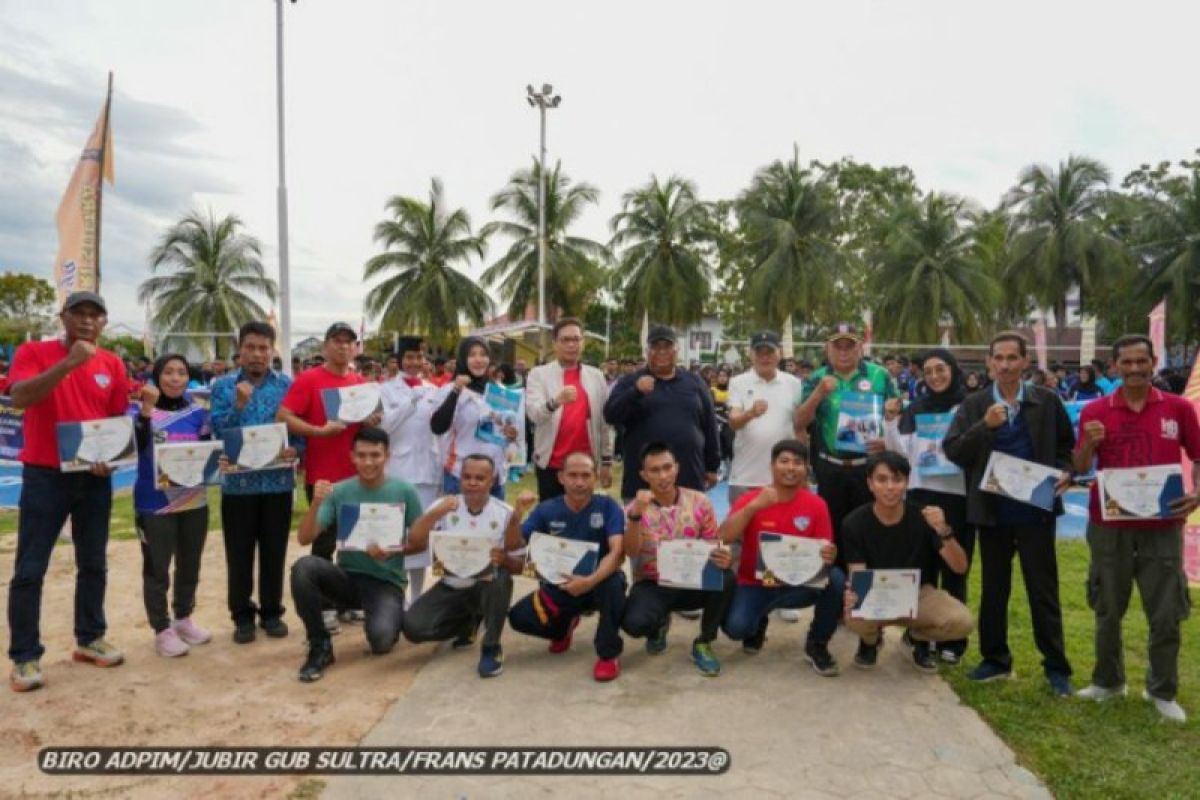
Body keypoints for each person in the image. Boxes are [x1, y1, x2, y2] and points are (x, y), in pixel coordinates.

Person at [7, 291, 131, 693]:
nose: (87, 321)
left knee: (93, 562)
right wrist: (69, 363)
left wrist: (110, 458)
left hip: (93, 477)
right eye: (79, 313)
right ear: (63, 317)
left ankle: (89, 637)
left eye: (96, 315)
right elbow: (20, 397)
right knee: (30, 568)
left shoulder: (112, 363)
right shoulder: (33, 351)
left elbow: (115, 421)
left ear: (104, 323)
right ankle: (25, 656)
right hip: (45, 475)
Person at [1073, 334, 1200, 722]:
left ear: (1153, 361)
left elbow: (1198, 455)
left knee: (1164, 610)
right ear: (1114, 366)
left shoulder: (1178, 408)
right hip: (1109, 523)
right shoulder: (1095, 409)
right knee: (1108, 606)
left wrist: (1197, 494)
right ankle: (1108, 681)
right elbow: (1079, 469)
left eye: (1140, 361)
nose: (1133, 369)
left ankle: (1161, 690)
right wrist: (1090, 446)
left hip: (1163, 523)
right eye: (1125, 363)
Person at [943, 331, 1075, 695]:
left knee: (1042, 590)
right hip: (993, 512)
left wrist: (1066, 471)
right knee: (995, 589)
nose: (1004, 365)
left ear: (1025, 361)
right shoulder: (974, 405)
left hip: (1036, 510)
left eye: (1011, 358)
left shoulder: (1047, 401)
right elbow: (953, 451)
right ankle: (995, 659)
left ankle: (1056, 668)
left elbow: (1066, 445)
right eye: (997, 358)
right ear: (988, 362)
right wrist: (985, 426)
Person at [291, 427, 423, 682]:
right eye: (361, 455)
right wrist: (317, 503)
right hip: (347, 578)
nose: (368, 462)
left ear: (388, 456)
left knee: (382, 643)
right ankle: (319, 644)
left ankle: (389, 616)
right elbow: (304, 538)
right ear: (351, 456)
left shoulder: (406, 491)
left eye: (375, 455)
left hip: (386, 582)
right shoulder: (339, 492)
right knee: (304, 568)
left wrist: (396, 550)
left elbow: (421, 543)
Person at [278, 322, 376, 634]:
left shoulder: (360, 382)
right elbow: (284, 416)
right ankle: (323, 607)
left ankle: (347, 602)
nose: (343, 347)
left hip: (356, 477)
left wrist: (371, 420)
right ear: (325, 347)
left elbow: (365, 429)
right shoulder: (309, 379)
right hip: (323, 478)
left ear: (355, 348)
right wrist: (318, 432)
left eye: (349, 342)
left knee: (353, 545)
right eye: (337, 341)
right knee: (323, 544)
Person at [718, 440, 844, 677]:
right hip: (755, 583)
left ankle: (817, 643)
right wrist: (752, 508)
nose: (791, 468)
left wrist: (830, 554)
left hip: (798, 583)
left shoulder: (816, 504)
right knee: (736, 629)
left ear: (806, 468)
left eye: (798, 462)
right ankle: (759, 621)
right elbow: (724, 536)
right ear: (772, 466)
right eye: (784, 461)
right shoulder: (752, 499)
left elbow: (824, 551)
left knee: (836, 579)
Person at [841, 452, 974, 673]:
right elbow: (857, 572)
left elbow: (960, 567)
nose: (890, 487)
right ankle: (870, 642)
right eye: (882, 480)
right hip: (877, 593)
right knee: (853, 614)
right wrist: (855, 595)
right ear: (870, 484)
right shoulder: (853, 523)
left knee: (962, 622)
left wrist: (943, 530)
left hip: (919, 594)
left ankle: (917, 637)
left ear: (907, 482)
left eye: (897, 479)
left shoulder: (925, 518)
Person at [211, 321, 299, 644]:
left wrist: (295, 450)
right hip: (238, 486)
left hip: (277, 484)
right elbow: (218, 431)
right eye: (250, 347)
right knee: (239, 553)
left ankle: (272, 612)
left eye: (263, 348)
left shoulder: (287, 386)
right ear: (240, 349)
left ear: (272, 351)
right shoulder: (222, 386)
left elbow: (297, 427)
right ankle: (242, 615)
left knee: (275, 551)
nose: (257, 354)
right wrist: (239, 405)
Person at [882, 348, 972, 664]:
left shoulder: (969, 405)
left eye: (941, 369)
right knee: (921, 569)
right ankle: (920, 636)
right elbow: (901, 455)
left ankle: (954, 639)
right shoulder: (916, 408)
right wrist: (890, 423)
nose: (935, 376)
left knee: (956, 567)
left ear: (953, 370)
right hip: (921, 493)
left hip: (958, 496)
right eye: (929, 371)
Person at [506, 452, 627, 681]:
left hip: (597, 583)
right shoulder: (546, 510)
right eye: (573, 475)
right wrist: (517, 514)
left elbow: (617, 552)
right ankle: (563, 628)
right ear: (561, 477)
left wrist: (589, 581)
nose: (579, 482)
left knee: (614, 585)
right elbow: (513, 544)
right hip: (560, 585)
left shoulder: (608, 506)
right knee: (518, 618)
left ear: (595, 477)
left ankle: (608, 654)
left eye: (585, 475)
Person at [402, 454, 521, 678]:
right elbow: (415, 540)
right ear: (459, 479)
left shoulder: (504, 513)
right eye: (467, 477)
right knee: (413, 627)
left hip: (485, 586)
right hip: (451, 585)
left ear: (492, 481)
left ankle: (491, 646)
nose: (473, 482)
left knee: (501, 578)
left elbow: (520, 564)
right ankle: (468, 623)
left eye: (480, 477)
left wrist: (503, 560)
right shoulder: (444, 505)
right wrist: (437, 513)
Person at [621, 442, 735, 676]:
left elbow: (712, 543)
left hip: (693, 580)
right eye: (654, 470)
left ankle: (704, 641)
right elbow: (631, 552)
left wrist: (724, 554)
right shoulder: (634, 508)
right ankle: (658, 625)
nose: (663, 476)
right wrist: (635, 517)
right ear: (643, 474)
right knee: (634, 625)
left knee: (727, 576)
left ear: (677, 468)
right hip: (653, 583)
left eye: (667, 467)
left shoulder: (699, 501)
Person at [130, 354, 214, 658]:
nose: (175, 378)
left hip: (194, 500)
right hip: (154, 505)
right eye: (168, 372)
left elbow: (209, 451)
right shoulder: (140, 411)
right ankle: (161, 629)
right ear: (156, 375)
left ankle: (183, 619)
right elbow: (133, 447)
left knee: (190, 563)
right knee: (157, 569)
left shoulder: (198, 413)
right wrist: (147, 411)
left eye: (181, 372)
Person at [795, 324, 898, 564]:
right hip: (831, 467)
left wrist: (888, 439)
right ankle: (838, 587)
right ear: (827, 349)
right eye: (837, 346)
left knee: (870, 527)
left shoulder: (879, 375)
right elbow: (799, 422)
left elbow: (898, 415)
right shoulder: (816, 378)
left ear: (860, 347)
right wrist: (819, 393)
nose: (843, 352)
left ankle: (867, 583)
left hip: (869, 466)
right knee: (832, 530)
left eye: (849, 346)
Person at [604, 324, 720, 500]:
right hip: (642, 483)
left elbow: (710, 425)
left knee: (688, 527)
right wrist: (635, 392)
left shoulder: (695, 382)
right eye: (656, 347)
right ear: (647, 351)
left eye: (667, 346)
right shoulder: (631, 381)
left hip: (689, 477)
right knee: (641, 527)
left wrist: (712, 466)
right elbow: (610, 415)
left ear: (677, 350)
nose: (662, 351)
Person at [379, 336, 443, 603]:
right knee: (396, 537)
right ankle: (395, 594)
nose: (415, 362)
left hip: (428, 470)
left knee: (421, 537)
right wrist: (409, 403)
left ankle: (415, 596)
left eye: (419, 357)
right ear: (399, 360)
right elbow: (383, 428)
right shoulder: (384, 390)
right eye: (409, 357)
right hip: (399, 471)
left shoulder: (433, 389)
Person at [525, 317, 613, 501]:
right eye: (565, 340)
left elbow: (605, 423)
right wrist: (556, 402)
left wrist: (606, 462)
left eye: (576, 339)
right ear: (555, 344)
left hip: (585, 466)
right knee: (552, 524)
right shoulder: (538, 375)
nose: (571, 344)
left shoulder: (596, 376)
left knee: (583, 521)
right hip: (552, 464)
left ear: (583, 342)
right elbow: (534, 415)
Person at [430, 336, 517, 499]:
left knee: (494, 524)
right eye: (472, 355)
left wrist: (511, 435)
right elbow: (437, 427)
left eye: (483, 354)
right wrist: (456, 390)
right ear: (463, 358)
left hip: (494, 476)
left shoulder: (499, 392)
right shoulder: (449, 389)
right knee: (459, 524)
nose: (478, 360)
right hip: (461, 475)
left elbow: (508, 430)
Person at [727, 331, 803, 505]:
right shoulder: (738, 382)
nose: (765, 357)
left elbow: (799, 428)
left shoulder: (794, 383)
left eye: (769, 352)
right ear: (751, 355)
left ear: (780, 353)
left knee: (782, 531)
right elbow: (733, 422)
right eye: (759, 352)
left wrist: (803, 469)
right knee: (741, 531)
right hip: (745, 477)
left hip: (784, 478)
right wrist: (751, 413)